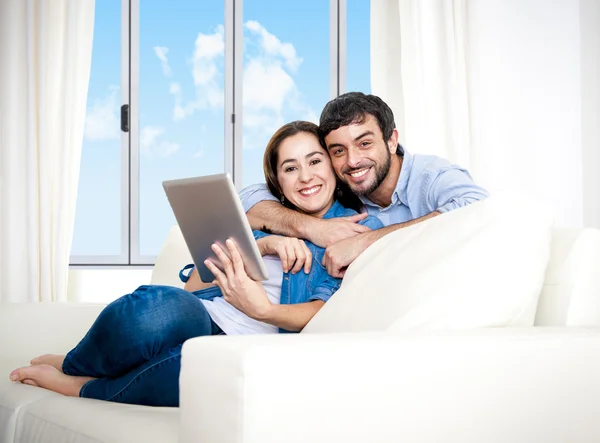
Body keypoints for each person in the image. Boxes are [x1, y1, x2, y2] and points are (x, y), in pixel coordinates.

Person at [8, 121, 382, 407]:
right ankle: (77, 362)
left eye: (315, 161)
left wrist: (262, 309)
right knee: (154, 309)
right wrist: (263, 245)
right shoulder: (263, 220)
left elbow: (322, 311)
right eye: (290, 168)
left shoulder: (355, 229)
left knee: (194, 372)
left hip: (250, 347)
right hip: (203, 315)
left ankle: (81, 385)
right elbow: (192, 291)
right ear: (278, 181)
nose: (305, 177)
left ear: (333, 167)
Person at [240, 92, 489, 278]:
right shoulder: (339, 181)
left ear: (392, 141)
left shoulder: (430, 176)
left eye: (365, 143)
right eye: (338, 151)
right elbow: (250, 197)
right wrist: (312, 227)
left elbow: (480, 208)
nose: (353, 160)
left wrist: (365, 242)